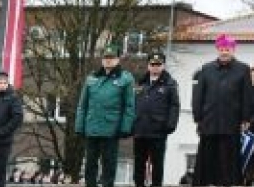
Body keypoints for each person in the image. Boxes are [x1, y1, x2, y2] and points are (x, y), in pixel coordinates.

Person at [192, 35, 254, 187]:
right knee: (207, 156)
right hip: (209, 121)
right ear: (217, 50)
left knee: (228, 157)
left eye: (227, 49)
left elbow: (247, 96)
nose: (224, 52)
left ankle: (228, 183)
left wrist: (246, 119)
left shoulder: (243, 69)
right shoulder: (206, 69)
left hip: (231, 121)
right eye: (221, 49)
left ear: (233, 50)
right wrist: (197, 117)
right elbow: (198, 94)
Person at [77, 45, 135, 187]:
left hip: (111, 129)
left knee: (109, 164)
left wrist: (125, 127)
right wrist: (80, 126)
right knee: (90, 164)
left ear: (118, 59)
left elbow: (129, 106)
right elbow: (82, 105)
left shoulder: (125, 79)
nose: (108, 61)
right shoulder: (91, 79)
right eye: (106, 58)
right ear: (102, 60)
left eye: (112, 58)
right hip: (92, 127)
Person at [132, 53, 180, 187]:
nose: (155, 67)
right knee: (139, 163)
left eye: (158, 64)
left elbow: (174, 106)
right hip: (140, 129)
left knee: (157, 164)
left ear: (163, 66)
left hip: (158, 131)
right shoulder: (140, 82)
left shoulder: (170, 84)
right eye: (152, 64)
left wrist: (170, 125)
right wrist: (132, 124)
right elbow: (132, 105)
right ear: (148, 66)